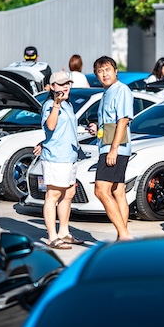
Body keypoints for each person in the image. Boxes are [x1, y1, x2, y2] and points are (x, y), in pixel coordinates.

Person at [86, 56, 133, 241]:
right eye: (100, 71)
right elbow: (109, 122)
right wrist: (97, 128)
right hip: (107, 144)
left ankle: (124, 234)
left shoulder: (121, 90)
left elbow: (123, 120)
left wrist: (113, 149)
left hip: (115, 148)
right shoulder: (106, 93)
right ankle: (123, 238)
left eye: (107, 69)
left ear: (115, 71)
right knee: (117, 192)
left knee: (100, 190)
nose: (104, 74)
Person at [38, 70, 84, 250]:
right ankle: (52, 237)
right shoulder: (50, 105)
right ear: (52, 87)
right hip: (56, 157)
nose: (65, 87)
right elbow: (50, 126)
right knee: (53, 195)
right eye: (61, 84)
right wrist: (56, 104)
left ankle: (64, 232)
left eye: (67, 84)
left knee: (69, 193)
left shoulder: (69, 104)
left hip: (70, 156)